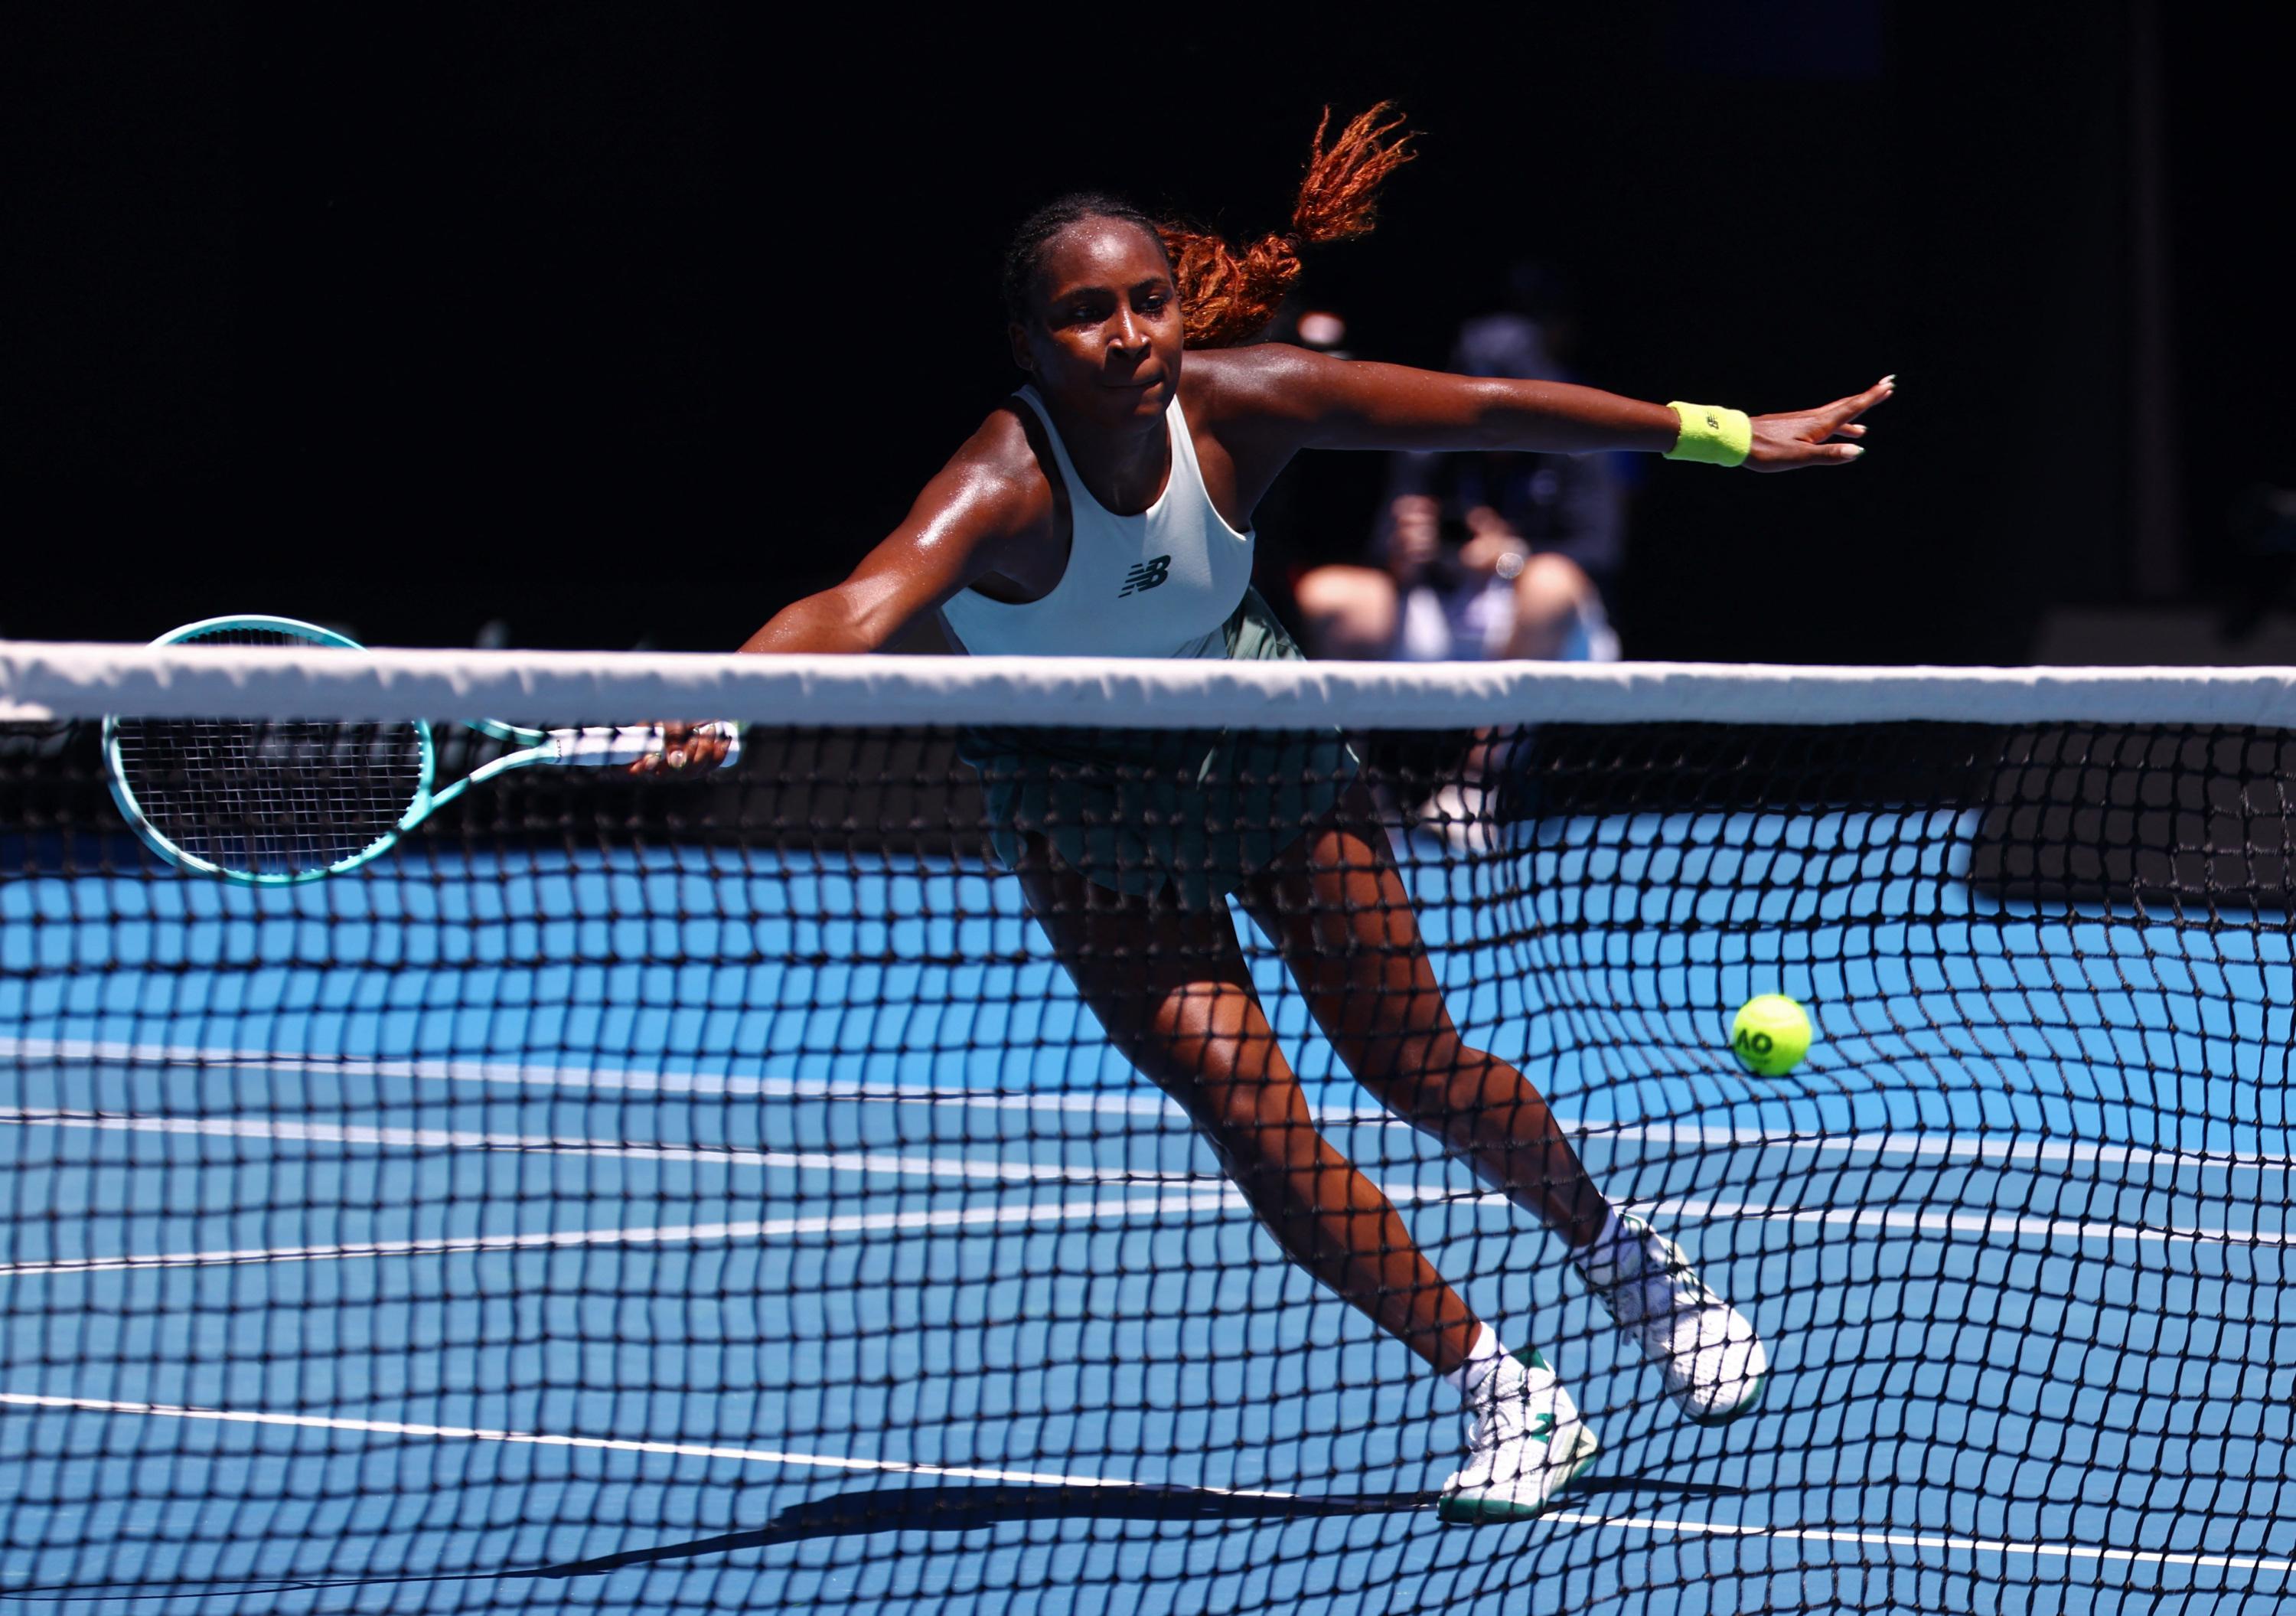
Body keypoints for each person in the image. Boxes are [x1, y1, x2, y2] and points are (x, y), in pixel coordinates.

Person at [665, 106, 1891, 1521]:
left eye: (1146, 304)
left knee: (1414, 1061)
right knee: (1252, 1115)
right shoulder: (997, 488)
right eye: (1083, 316)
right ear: (1027, 348)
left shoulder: (1245, 404)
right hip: (1079, 810)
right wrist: (716, 693)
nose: (1127, 337)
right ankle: (1505, 1389)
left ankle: (1630, 1265)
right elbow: (854, 606)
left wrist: (1733, 437)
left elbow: (1486, 408)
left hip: (1264, 756)